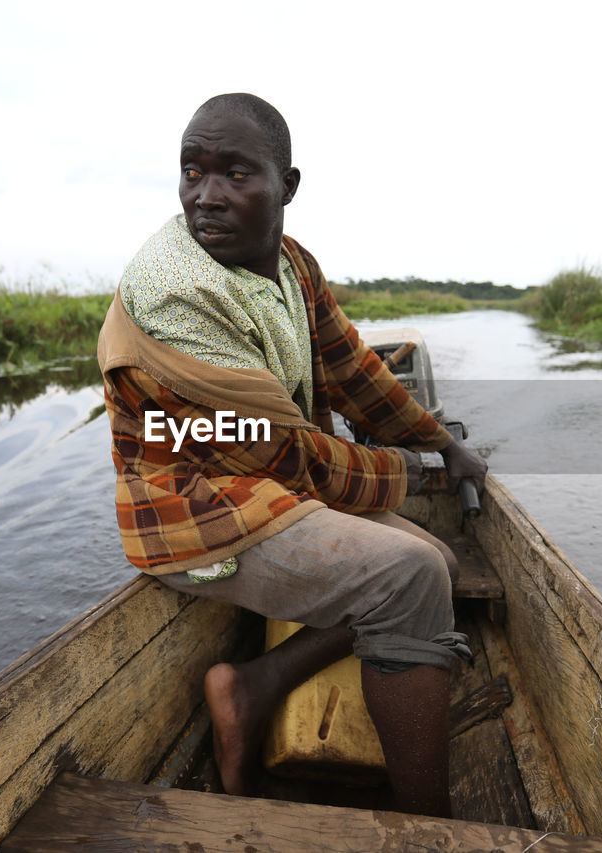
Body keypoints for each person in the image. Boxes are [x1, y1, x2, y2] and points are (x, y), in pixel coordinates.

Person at [96, 93, 487, 818]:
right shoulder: (177, 300)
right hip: (194, 512)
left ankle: (255, 684)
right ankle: (431, 830)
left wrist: (438, 439)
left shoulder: (291, 265)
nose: (205, 197)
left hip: (260, 487)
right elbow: (290, 461)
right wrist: (415, 472)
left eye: (233, 174)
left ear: (287, 187)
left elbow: (353, 370)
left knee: (442, 564)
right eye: (192, 172)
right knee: (409, 576)